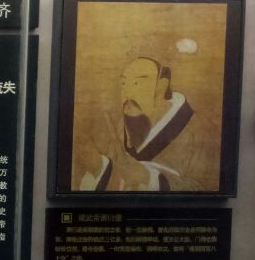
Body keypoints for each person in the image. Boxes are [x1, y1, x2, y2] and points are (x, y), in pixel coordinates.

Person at [79, 55, 220, 192]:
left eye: (137, 83)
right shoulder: (117, 126)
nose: (127, 93)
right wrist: (99, 167)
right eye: (124, 83)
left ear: (161, 86)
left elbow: (206, 189)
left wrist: (147, 177)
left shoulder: (200, 130)